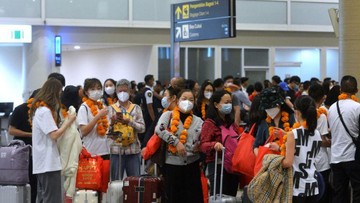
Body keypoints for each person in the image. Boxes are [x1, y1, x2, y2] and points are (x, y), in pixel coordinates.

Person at [29, 78, 76, 203]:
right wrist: (68, 121)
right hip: (48, 164)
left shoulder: (41, 110)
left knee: (44, 198)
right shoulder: (44, 111)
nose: (60, 96)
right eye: (59, 92)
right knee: (52, 199)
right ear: (54, 92)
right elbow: (54, 135)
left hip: (44, 163)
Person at [270, 95, 322, 202]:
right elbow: (303, 148)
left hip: (296, 187)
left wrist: (273, 161)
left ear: (297, 113)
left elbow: (288, 162)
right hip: (312, 185)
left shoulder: (293, 134)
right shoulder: (317, 133)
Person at [155, 89, 204, 203]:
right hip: (172, 165)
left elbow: (203, 137)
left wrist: (200, 145)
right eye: (184, 99)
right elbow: (159, 129)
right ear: (177, 100)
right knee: (173, 197)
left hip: (192, 165)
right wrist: (176, 142)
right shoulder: (168, 115)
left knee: (192, 197)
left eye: (191, 100)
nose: (187, 102)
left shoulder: (198, 121)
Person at [200, 90, 239, 197]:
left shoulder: (231, 123)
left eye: (230, 102)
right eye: (226, 102)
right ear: (216, 104)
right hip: (217, 165)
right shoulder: (209, 123)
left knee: (231, 197)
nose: (229, 105)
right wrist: (214, 145)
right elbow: (203, 145)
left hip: (232, 165)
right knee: (218, 195)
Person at [328, 75, 360, 203]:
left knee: (339, 193)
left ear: (340, 90)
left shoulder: (332, 108)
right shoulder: (357, 108)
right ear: (356, 91)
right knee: (357, 191)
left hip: (335, 157)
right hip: (353, 156)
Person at [108, 79, 145, 180]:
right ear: (116, 92)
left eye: (125, 91)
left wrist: (130, 122)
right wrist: (112, 123)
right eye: (120, 91)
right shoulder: (110, 109)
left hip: (133, 151)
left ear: (130, 92)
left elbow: (142, 128)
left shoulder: (136, 108)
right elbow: (106, 132)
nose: (122, 93)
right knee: (115, 183)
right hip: (116, 151)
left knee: (134, 183)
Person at [8, 89, 39, 203]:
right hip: (22, 151)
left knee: (35, 183)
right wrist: (31, 134)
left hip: (37, 151)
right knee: (25, 182)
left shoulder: (42, 111)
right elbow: (11, 130)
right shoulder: (20, 109)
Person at [253, 87, 296, 156]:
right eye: (267, 108)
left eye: (272, 107)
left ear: (279, 104)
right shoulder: (264, 122)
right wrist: (261, 158)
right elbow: (256, 146)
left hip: (289, 160)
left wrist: (285, 135)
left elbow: (298, 142)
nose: (269, 110)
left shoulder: (291, 118)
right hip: (269, 162)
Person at [308, 83, 332, 203]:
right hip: (321, 160)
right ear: (323, 98)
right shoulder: (321, 116)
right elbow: (322, 141)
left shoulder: (303, 114)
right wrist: (333, 143)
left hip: (307, 159)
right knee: (322, 194)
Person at [77, 78, 110, 159]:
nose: (96, 91)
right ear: (86, 92)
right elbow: (83, 131)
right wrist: (98, 116)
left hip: (106, 150)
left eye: (99, 88)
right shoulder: (84, 107)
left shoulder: (102, 106)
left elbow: (107, 127)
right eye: (92, 89)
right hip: (91, 152)